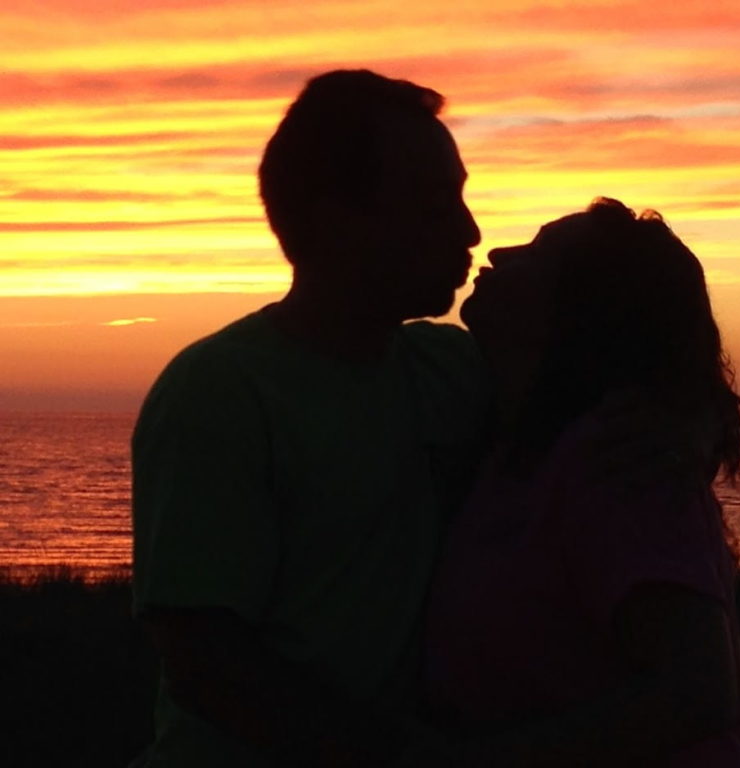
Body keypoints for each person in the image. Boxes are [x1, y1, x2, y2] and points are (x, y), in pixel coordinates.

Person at [131, 69, 489, 767]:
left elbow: (630, 391)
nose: (471, 232)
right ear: (337, 219)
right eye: (435, 204)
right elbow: (205, 661)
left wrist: (679, 427)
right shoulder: (221, 392)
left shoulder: (458, 370)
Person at [424, 198, 740, 766]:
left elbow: (695, 693)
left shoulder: (620, 461)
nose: (498, 251)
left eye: (539, 252)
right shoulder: (505, 433)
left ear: (585, 306)